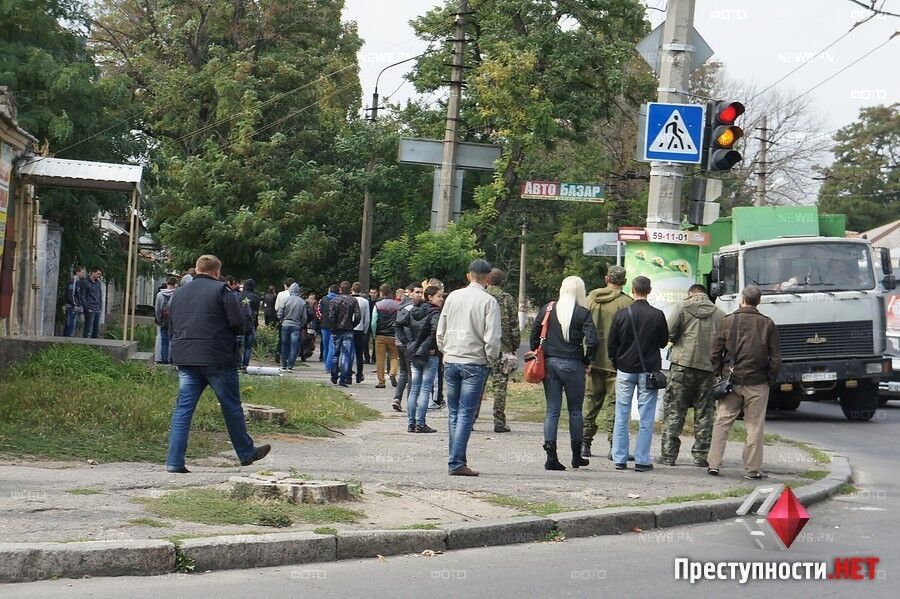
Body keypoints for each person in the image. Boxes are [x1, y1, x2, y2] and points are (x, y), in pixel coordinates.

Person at [165, 254, 270, 473]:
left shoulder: (179, 293)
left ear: (196, 269)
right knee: (231, 406)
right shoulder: (223, 291)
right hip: (218, 358)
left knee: (183, 409)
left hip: (186, 357)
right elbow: (239, 323)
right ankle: (246, 452)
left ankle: (174, 461)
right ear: (217, 272)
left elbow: (170, 322)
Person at [707, 285, 781, 479]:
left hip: (730, 381)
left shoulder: (727, 321)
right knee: (754, 427)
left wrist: (718, 375)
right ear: (759, 301)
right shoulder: (767, 324)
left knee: (722, 422)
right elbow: (775, 358)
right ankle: (752, 469)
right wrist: (770, 379)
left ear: (742, 300)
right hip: (757, 382)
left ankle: (714, 464)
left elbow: (714, 353)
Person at [436, 259, 501, 477]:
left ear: (468, 276)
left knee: (454, 412)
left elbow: (441, 329)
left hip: (452, 359)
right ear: (488, 278)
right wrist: (491, 358)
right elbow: (492, 338)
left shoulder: (453, 296)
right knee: (466, 413)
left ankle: (454, 458)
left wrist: (445, 351)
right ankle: (456, 462)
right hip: (474, 361)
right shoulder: (489, 302)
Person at [530, 276, 599, 470]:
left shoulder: (548, 309)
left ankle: (551, 457)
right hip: (574, 365)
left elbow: (535, 335)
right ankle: (576, 456)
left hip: (550, 364)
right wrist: (586, 360)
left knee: (552, 410)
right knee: (575, 411)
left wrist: (539, 352)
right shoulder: (582, 313)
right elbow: (593, 342)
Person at [659, 283, 725, 467]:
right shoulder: (719, 313)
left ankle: (668, 456)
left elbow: (668, 335)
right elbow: (723, 343)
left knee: (674, 411)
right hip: (707, 369)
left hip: (682, 366)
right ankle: (701, 456)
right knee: (705, 413)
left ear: (691, 294)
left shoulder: (682, 307)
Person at [608, 276, 669, 472]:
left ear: (632, 289)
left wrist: (617, 363)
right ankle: (642, 459)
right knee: (646, 416)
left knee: (622, 414)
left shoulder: (621, 314)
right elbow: (662, 342)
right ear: (649, 290)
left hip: (625, 369)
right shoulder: (657, 315)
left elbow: (612, 344)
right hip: (648, 370)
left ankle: (620, 457)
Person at [582, 265, 633, 460]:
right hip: (616, 362)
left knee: (590, 402)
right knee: (616, 404)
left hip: (592, 359)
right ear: (624, 281)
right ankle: (615, 446)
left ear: (606, 279)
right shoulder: (627, 303)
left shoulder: (590, 298)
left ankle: (585, 444)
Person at [484, 268, 520, 433]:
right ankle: (499, 421)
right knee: (500, 386)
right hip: (503, 348)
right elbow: (514, 324)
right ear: (502, 281)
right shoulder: (507, 299)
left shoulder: (482, 296)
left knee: (478, 384)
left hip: (482, 348)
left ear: (487, 280)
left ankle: (470, 419)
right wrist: (514, 346)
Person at [405, 286, 444, 433]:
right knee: (425, 389)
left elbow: (399, 324)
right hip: (430, 354)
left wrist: (410, 342)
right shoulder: (435, 312)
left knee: (414, 388)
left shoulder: (414, 310)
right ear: (430, 297)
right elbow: (435, 330)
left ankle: (411, 423)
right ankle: (420, 423)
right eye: (439, 296)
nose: (441, 299)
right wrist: (431, 345)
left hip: (415, 353)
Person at [393, 282, 424, 411]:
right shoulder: (411, 308)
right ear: (409, 293)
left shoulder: (401, 305)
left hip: (400, 343)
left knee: (404, 373)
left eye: (421, 292)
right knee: (412, 374)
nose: (420, 295)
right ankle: (411, 402)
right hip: (407, 344)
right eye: (417, 292)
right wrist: (409, 342)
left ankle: (397, 398)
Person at [328, 281, 361, 387]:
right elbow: (358, 315)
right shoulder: (353, 300)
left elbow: (331, 315)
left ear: (340, 289)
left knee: (335, 353)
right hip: (348, 329)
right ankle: (343, 378)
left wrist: (332, 327)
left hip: (336, 329)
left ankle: (334, 374)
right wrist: (353, 324)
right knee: (346, 355)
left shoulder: (334, 300)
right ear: (349, 289)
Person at [371, 284, 400, 389]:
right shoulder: (397, 305)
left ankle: (381, 381)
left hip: (380, 335)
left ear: (381, 293)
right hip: (393, 335)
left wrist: (374, 334)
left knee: (380, 359)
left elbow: (374, 322)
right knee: (394, 357)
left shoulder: (378, 305)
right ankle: (392, 373)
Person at [277, 283, 307, 371]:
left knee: (284, 344)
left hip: (285, 324)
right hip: (296, 325)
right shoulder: (302, 302)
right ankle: (290, 365)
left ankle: (283, 364)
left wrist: (282, 321)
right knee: (294, 346)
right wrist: (301, 324)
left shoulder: (285, 300)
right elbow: (304, 317)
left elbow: (279, 313)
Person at [154, 276, 178, 364]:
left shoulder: (160, 295)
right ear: (175, 284)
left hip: (164, 320)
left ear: (167, 283)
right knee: (173, 340)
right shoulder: (177, 294)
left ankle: (164, 359)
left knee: (164, 340)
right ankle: (172, 359)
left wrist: (159, 319)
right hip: (174, 320)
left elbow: (157, 309)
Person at [350, 282, 371, 383]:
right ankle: (359, 374)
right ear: (361, 290)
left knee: (348, 352)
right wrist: (365, 330)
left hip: (348, 329)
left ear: (352, 289)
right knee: (359, 354)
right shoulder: (365, 302)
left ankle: (348, 373)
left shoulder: (348, 300)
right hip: (360, 329)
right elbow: (367, 319)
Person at [239, 279, 261, 370]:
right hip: (251, 323)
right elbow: (256, 312)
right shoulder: (256, 297)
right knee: (248, 347)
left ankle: (238, 364)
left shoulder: (239, 295)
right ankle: (245, 365)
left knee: (239, 346)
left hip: (240, 323)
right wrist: (256, 324)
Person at [273, 278, 294, 362]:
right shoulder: (295, 296)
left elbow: (276, 307)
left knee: (281, 338)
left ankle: (278, 351)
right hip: (293, 319)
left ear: (285, 285)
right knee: (291, 340)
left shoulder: (280, 294)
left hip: (283, 319)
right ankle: (288, 357)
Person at [318, 284, 338, 369]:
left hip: (324, 325)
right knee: (333, 346)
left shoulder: (323, 299)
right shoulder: (338, 299)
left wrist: (321, 319)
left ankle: (326, 363)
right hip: (335, 325)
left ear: (329, 290)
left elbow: (318, 312)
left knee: (325, 345)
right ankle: (331, 364)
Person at [81, 268, 104, 339]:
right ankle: (86, 344)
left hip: (97, 308)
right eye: (98, 274)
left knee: (96, 329)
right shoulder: (85, 282)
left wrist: (100, 307)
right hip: (90, 308)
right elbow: (83, 296)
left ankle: (94, 345)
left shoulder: (98, 283)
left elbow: (100, 295)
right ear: (93, 273)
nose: (99, 276)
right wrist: (87, 308)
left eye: (100, 274)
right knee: (88, 328)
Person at [62, 266, 85, 337]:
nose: (83, 274)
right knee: (71, 324)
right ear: (77, 272)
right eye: (82, 272)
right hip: (71, 307)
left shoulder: (77, 281)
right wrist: (75, 304)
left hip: (73, 306)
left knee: (69, 323)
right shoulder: (73, 281)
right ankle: (68, 339)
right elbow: (71, 294)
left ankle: (66, 339)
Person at [366, 287, 379, 364]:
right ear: (369, 293)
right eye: (372, 293)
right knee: (365, 341)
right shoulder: (367, 302)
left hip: (375, 323)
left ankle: (374, 358)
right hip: (368, 322)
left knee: (375, 341)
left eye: (374, 293)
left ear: (377, 293)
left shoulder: (378, 302)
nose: (373, 294)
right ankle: (367, 357)